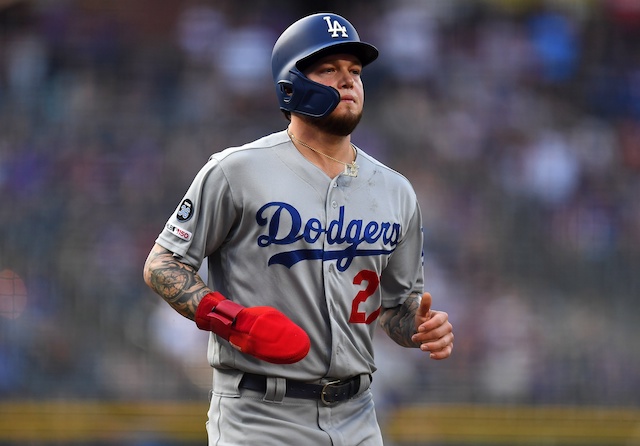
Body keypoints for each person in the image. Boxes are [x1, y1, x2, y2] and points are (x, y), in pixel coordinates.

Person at [143, 12, 454, 445]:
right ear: (290, 84)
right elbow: (162, 263)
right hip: (259, 416)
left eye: (355, 71)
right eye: (329, 69)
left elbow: (396, 308)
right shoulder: (236, 170)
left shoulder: (396, 190)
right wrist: (230, 319)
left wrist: (419, 328)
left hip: (359, 415)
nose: (348, 81)